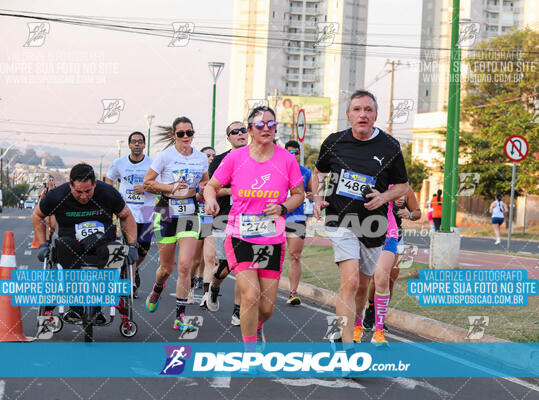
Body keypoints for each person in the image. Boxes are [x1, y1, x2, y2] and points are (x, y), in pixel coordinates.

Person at [313, 90, 408, 345]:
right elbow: (319, 172)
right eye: (357, 109)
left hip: (374, 225)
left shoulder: (390, 146)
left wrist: (383, 198)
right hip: (340, 220)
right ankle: (346, 345)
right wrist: (318, 197)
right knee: (351, 279)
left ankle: (349, 331)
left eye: (368, 109)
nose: (362, 114)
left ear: (375, 115)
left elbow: (402, 187)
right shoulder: (334, 142)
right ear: (348, 115)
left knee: (363, 287)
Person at [204, 106, 304, 351]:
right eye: (260, 125)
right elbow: (211, 186)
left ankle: (258, 328)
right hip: (240, 236)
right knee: (250, 294)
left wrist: (282, 207)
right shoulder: (236, 158)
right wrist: (210, 199)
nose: (267, 128)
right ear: (250, 130)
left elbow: (299, 194)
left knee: (267, 306)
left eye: (271, 124)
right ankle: (250, 353)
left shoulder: (286, 159)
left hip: (272, 239)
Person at [32, 163, 138, 324]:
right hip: (70, 244)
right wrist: (42, 245)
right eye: (78, 192)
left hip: (102, 243)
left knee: (114, 250)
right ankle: (76, 308)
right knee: (63, 245)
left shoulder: (107, 192)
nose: (83, 196)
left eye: (88, 191)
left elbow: (127, 216)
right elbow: (37, 215)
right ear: (70, 185)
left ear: (95, 183)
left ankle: (96, 308)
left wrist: (131, 246)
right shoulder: (58, 195)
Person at [142, 117, 209, 331]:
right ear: (174, 135)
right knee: (166, 268)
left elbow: (205, 181)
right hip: (165, 211)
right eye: (181, 133)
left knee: (185, 265)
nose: (186, 137)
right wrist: (170, 187)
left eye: (189, 132)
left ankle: (180, 316)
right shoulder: (165, 156)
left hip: (189, 212)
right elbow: (147, 183)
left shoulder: (200, 158)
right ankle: (158, 288)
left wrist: (201, 191)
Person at [200, 121, 248, 327]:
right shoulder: (220, 160)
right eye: (234, 132)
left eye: (243, 130)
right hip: (223, 217)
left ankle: (238, 312)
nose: (240, 133)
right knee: (226, 265)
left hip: (250, 220)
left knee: (243, 268)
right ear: (228, 138)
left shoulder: (259, 158)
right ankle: (214, 288)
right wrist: (233, 190)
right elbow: (211, 189)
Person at [361, 186, 421, 338]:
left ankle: (381, 316)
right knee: (378, 278)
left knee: (391, 278)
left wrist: (410, 214)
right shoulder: (379, 184)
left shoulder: (406, 190)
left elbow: (418, 213)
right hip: (376, 233)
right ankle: (370, 308)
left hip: (396, 235)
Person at [106, 131, 155, 298]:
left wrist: (146, 187)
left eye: (140, 142)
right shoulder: (119, 163)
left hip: (148, 211)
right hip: (127, 211)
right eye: (134, 141)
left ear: (144, 145)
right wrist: (113, 197)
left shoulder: (152, 164)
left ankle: (130, 267)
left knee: (143, 251)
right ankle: (131, 283)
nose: (137, 144)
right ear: (129, 144)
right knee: (129, 245)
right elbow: (109, 179)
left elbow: (161, 185)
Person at [283, 140, 313, 305]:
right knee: (274, 256)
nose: (292, 155)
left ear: (299, 154)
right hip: (277, 218)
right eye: (289, 152)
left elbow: (312, 193)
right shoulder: (276, 169)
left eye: (295, 152)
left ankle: (293, 293)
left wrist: (311, 196)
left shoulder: (305, 172)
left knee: (295, 256)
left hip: (297, 219)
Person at [191, 146, 217, 294]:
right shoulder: (194, 175)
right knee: (194, 260)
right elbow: (189, 200)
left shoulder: (217, 176)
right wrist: (200, 193)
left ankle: (206, 291)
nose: (211, 158)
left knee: (209, 258)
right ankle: (189, 287)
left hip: (209, 220)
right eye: (208, 155)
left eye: (213, 155)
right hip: (194, 219)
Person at [38, 175, 57, 242]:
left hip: (54, 210)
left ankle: (50, 235)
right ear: (48, 182)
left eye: (52, 180)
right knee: (47, 224)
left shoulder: (57, 190)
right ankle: (47, 240)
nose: (51, 181)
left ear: (54, 182)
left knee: (53, 226)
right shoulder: (45, 190)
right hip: (46, 210)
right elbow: (40, 199)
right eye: (50, 180)